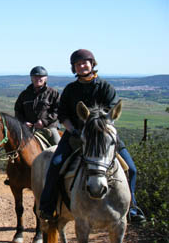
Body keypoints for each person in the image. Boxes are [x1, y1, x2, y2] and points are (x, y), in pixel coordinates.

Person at [38, 49, 146, 223]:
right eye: (78, 64)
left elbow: (111, 114)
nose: (81, 66)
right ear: (74, 68)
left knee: (131, 169)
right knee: (55, 165)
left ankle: (132, 207)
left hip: (102, 136)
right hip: (75, 135)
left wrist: (97, 130)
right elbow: (63, 114)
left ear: (92, 63)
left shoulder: (105, 87)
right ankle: (47, 206)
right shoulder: (71, 89)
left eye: (84, 63)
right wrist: (73, 130)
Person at [14, 66, 61, 145]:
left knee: (59, 147)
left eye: (40, 77)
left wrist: (44, 121)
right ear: (31, 78)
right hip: (28, 128)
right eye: (35, 76)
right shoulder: (24, 94)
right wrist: (23, 122)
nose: (37, 79)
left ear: (45, 78)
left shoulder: (53, 93)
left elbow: (58, 110)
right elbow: (18, 111)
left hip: (49, 127)